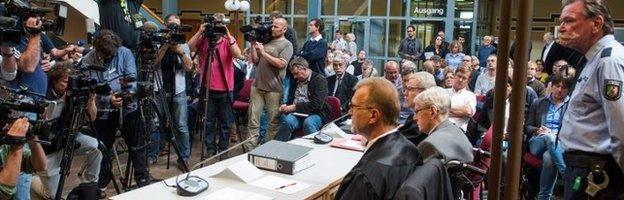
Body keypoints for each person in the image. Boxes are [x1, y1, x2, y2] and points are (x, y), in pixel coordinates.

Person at [557, 0, 624, 199]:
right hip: (582, 169)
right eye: (561, 21)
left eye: (569, 20)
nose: (561, 27)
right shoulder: (593, 58)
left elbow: (621, 128)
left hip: (597, 174)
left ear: (596, 24)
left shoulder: (609, 61)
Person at [80, 30, 151, 190]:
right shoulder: (87, 60)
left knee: (137, 145)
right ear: (98, 50)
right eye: (107, 56)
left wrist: (124, 95)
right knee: (103, 148)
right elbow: (89, 91)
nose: (111, 58)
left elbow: (132, 78)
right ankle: (103, 182)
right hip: (103, 111)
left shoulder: (125, 53)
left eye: (113, 54)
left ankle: (142, 179)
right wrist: (108, 98)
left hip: (128, 107)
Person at [334, 77, 422, 199]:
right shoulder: (412, 150)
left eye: (353, 106)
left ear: (373, 115)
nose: (350, 112)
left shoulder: (364, 176)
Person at [31, 62, 102, 200]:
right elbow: (47, 119)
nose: (68, 85)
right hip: (49, 145)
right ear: (54, 81)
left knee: (96, 147)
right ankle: (33, 180)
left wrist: (91, 99)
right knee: (51, 195)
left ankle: (89, 185)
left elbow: (91, 118)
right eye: (65, 82)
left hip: (68, 136)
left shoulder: (76, 93)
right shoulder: (44, 91)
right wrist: (64, 98)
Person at [188, 13, 242, 158]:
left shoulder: (227, 40)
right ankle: (210, 148)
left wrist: (227, 32)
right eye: (214, 24)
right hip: (207, 89)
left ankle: (223, 149)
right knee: (209, 122)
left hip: (225, 88)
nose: (216, 27)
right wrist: (200, 31)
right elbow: (189, 47)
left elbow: (237, 54)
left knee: (225, 123)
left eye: (219, 24)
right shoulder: (204, 40)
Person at [151, 14, 194, 168]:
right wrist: (165, 45)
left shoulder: (184, 45)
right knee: (155, 124)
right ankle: (152, 155)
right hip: (159, 89)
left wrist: (179, 51)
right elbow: (153, 63)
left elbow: (189, 68)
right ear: (165, 25)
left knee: (181, 126)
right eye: (171, 25)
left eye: (177, 25)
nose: (174, 28)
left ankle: (184, 157)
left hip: (179, 91)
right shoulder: (157, 41)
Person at [247, 17, 294, 141]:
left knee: (273, 122)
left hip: (274, 89)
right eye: (272, 26)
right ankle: (250, 149)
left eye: (276, 27)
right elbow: (256, 60)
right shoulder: (268, 41)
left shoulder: (287, 45)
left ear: (284, 29)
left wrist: (263, 52)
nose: (272, 28)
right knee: (253, 121)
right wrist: (253, 45)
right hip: (257, 86)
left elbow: (281, 64)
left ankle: (266, 151)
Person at [524, 74, 571, 200]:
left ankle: (543, 197)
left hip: (559, 143)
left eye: (564, 87)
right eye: (557, 86)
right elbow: (527, 127)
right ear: (552, 86)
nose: (560, 90)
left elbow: (573, 130)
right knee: (549, 138)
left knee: (549, 158)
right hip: (538, 141)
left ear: (568, 90)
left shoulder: (571, 106)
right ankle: (566, 174)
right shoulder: (538, 103)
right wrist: (538, 129)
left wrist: (556, 134)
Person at [274, 57, 331, 141]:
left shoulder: (320, 80)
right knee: (287, 121)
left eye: (296, 73)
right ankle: (278, 146)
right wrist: (286, 105)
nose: (294, 76)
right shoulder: (296, 80)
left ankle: (315, 149)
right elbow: (292, 98)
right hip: (298, 113)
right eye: (293, 74)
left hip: (316, 113)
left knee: (308, 123)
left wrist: (294, 107)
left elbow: (317, 104)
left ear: (304, 69)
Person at [414, 87, 473, 163]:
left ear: (433, 111)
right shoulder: (458, 132)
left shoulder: (429, 145)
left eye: (417, 111)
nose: (414, 118)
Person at [0, 118, 47, 200]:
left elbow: (40, 166)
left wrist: (31, 136)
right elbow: (4, 193)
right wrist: (16, 146)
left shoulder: (4, 145)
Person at [400, 72, 437, 145]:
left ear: (425, 92)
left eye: (410, 89)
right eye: (406, 88)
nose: (405, 93)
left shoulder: (425, 121)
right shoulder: (412, 117)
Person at [447, 66, 477, 132]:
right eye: (459, 76)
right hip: (440, 128)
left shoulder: (470, 95)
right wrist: (460, 113)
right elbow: (436, 110)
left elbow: (468, 112)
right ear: (454, 76)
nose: (460, 80)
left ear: (468, 80)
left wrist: (444, 110)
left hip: (458, 130)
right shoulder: (443, 92)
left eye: (464, 78)